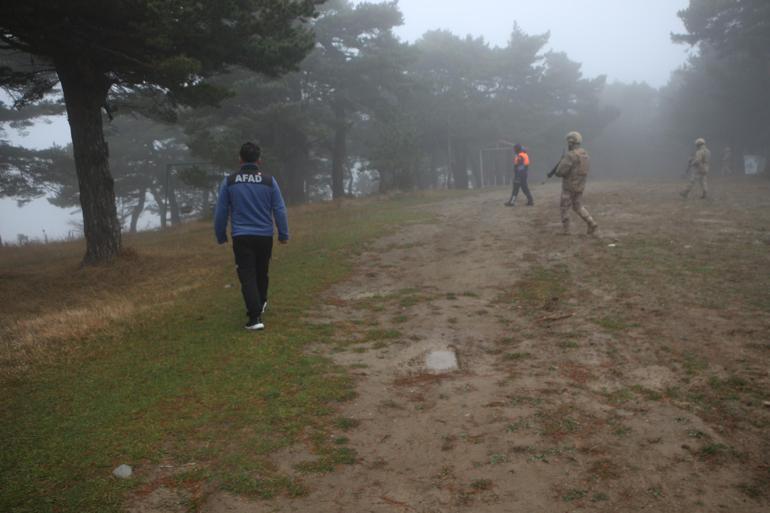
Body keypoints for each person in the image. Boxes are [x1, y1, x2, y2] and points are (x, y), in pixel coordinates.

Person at [215, 142, 289, 331]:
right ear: (259, 160)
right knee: (261, 271)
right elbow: (279, 209)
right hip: (264, 235)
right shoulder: (269, 181)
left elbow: (221, 210)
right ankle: (261, 301)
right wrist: (283, 233)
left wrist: (220, 234)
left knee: (247, 275)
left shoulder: (229, 181)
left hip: (241, 236)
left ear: (240, 159)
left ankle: (255, 317)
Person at [553, 131, 598, 235]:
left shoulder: (570, 155)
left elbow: (560, 172)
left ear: (571, 142)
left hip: (569, 186)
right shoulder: (585, 155)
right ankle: (591, 222)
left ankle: (566, 230)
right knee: (578, 206)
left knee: (565, 207)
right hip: (580, 186)